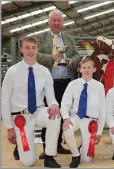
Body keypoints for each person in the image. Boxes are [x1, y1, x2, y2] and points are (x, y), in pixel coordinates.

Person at [1, 36, 61, 168]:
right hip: (20, 117)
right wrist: (9, 128)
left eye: (33, 48)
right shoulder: (12, 72)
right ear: (21, 49)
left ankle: (49, 156)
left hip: (38, 111)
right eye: (27, 47)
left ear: (37, 50)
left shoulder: (44, 72)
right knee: (28, 162)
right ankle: (21, 143)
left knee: (55, 115)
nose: (30, 51)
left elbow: (51, 97)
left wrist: (54, 105)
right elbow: (4, 101)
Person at [36, 9, 82, 159]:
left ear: (63, 22)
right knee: (48, 113)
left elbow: (76, 55)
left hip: (67, 82)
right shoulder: (40, 38)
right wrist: (52, 56)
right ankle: (46, 147)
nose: (56, 23)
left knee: (64, 114)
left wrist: (71, 61)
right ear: (48, 22)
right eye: (53, 20)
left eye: (59, 20)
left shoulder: (69, 38)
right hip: (48, 83)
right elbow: (35, 54)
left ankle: (58, 145)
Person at [60, 57, 106, 168]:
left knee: (87, 159)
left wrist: (99, 131)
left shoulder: (99, 86)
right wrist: (66, 118)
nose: (86, 70)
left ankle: (82, 150)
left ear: (94, 70)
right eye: (84, 67)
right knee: (67, 129)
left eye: (89, 67)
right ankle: (75, 155)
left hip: (90, 121)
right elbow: (65, 103)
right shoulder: (73, 84)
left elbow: (102, 110)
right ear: (80, 70)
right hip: (75, 117)